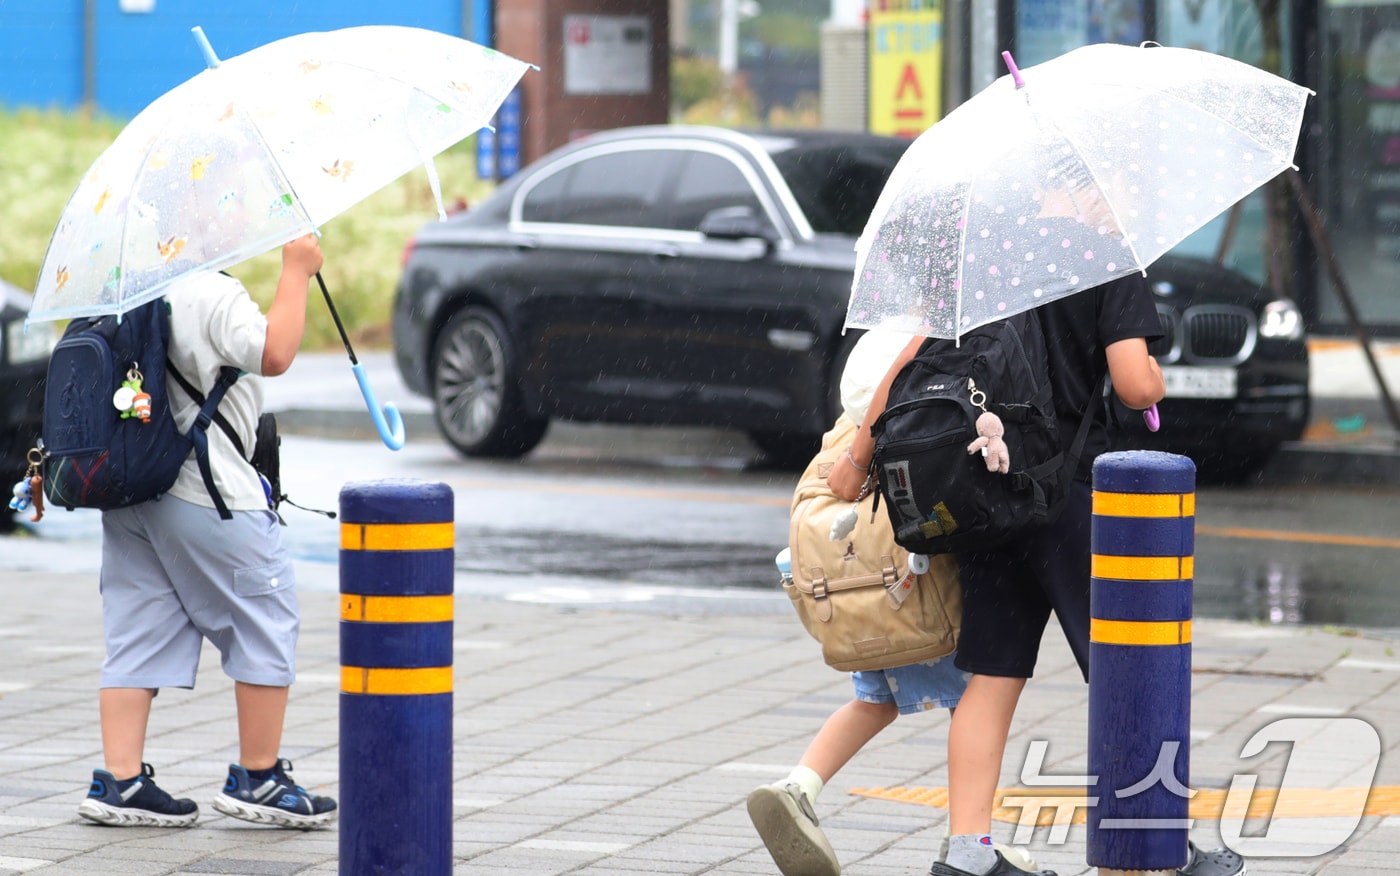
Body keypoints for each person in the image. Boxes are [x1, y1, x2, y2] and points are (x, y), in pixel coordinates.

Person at [830, 273, 1244, 876]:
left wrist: (856, 458)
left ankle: (968, 854)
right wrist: (1154, 378)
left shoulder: (991, 252)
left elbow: (911, 355)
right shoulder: (1102, 263)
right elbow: (1132, 383)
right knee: (1127, 669)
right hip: (1070, 492)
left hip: (987, 495)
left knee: (993, 674)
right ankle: (1154, 843)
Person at [746, 330, 1039, 876]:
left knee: (872, 702)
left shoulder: (840, 436)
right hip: (921, 604)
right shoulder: (923, 371)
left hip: (869, 611)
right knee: (977, 703)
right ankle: (974, 840)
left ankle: (799, 785)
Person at [77, 235, 338, 830]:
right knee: (264, 614)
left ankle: (120, 781)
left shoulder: (121, 293)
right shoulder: (208, 291)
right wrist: (296, 271)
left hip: (131, 492)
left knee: (137, 630)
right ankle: (260, 777)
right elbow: (273, 351)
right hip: (207, 489)